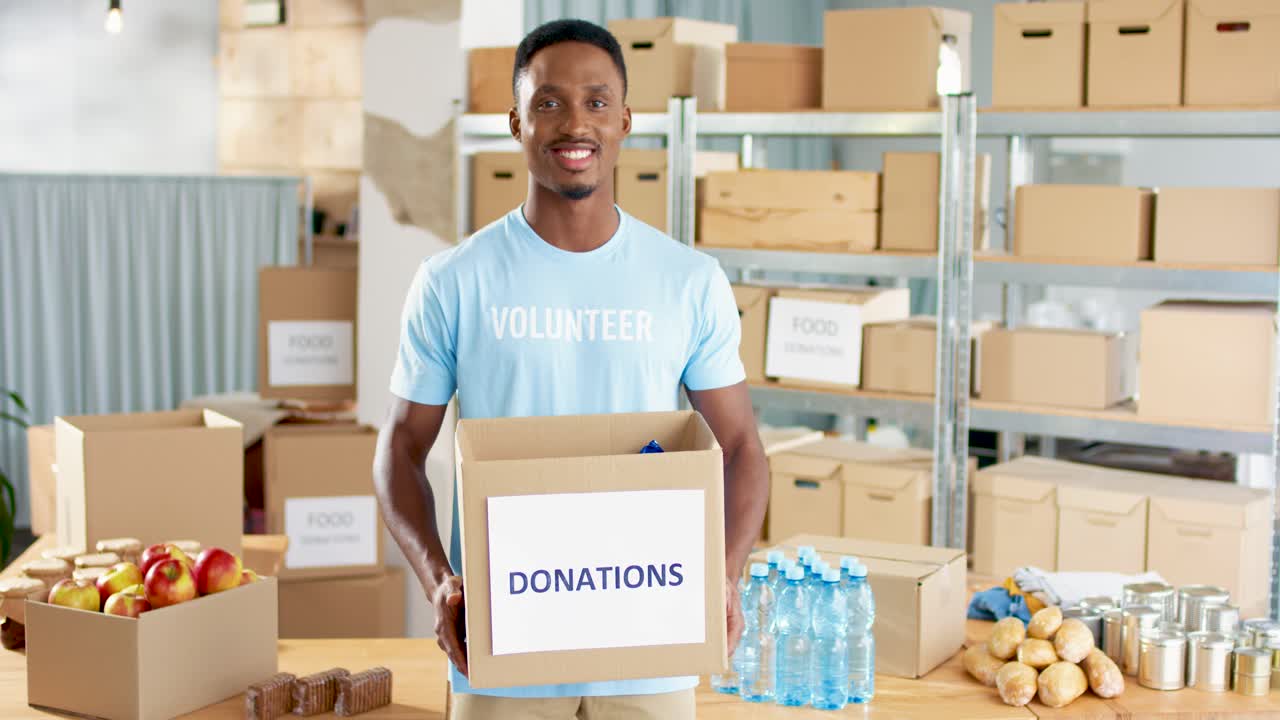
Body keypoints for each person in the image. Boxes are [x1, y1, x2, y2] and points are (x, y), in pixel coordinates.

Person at [373, 17, 769, 720]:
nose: (573, 123)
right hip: (503, 642)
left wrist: (725, 574)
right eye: (548, 102)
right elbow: (400, 449)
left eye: (595, 101)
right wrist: (440, 580)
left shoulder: (688, 280)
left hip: (651, 634)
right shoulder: (453, 281)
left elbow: (739, 447)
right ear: (517, 123)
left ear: (624, 120)